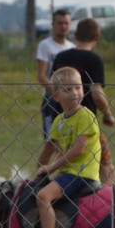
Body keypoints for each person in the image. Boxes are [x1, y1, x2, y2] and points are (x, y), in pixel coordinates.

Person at [20, 66, 101, 228]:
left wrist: (50, 167)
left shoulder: (86, 116)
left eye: (78, 88)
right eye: (68, 89)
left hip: (82, 173)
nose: (74, 93)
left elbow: (78, 150)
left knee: (43, 196)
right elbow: (60, 149)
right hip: (67, 172)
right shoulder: (58, 121)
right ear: (56, 97)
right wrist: (47, 170)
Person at [52, 18, 115, 185]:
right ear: (97, 37)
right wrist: (108, 114)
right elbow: (96, 93)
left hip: (61, 118)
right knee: (105, 161)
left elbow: (53, 84)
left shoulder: (61, 56)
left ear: (76, 35)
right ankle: (109, 197)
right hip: (85, 121)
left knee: (59, 155)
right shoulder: (94, 60)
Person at [35, 9, 74, 138]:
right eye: (59, 23)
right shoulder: (45, 45)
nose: (63, 26)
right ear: (53, 25)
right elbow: (41, 76)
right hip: (51, 98)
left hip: (70, 100)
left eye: (66, 23)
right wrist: (58, 91)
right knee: (51, 141)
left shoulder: (72, 48)